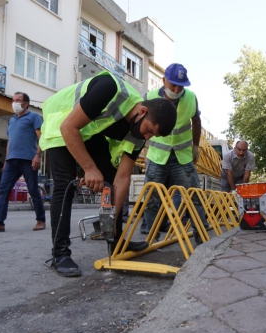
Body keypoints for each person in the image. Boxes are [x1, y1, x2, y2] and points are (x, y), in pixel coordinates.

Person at [39, 70, 176, 277]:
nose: (147, 137)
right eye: (148, 130)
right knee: (64, 185)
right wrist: (89, 168)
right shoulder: (109, 89)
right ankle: (60, 254)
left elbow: (122, 178)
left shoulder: (138, 134)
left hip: (88, 130)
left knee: (111, 179)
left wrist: (109, 219)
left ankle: (116, 243)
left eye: (152, 135)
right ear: (142, 112)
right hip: (62, 121)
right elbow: (69, 127)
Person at [141, 63, 207, 243]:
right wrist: (144, 150)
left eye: (181, 86)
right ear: (164, 81)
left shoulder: (191, 98)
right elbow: (141, 125)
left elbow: (196, 121)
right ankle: (151, 236)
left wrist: (195, 147)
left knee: (193, 194)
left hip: (182, 156)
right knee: (152, 197)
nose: (177, 90)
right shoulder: (149, 97)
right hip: (157, 155)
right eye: (173, 85)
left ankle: (201, 234)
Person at [0, 92, 47, 232]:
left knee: (33, 191)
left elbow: (42, 138)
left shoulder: (33, 117)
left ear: (25, 104)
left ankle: (41, 220)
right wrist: (6, 159)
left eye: (18, 100)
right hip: (11, 161)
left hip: (28, 160)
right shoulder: (11, 120)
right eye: (13, 100)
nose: (14, 103)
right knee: (2, 190)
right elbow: (10, 141)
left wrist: (38, 155)